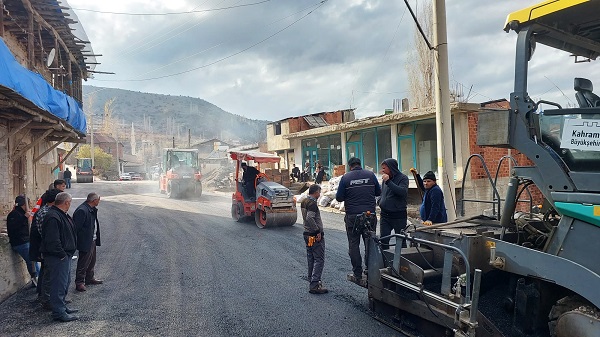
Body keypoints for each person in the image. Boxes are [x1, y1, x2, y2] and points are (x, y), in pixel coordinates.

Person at [335, 157, 381, 281]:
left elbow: (339, 197)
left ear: (350, 166)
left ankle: (358, 273)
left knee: (354, 244)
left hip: (353, 216)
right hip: (369, 215)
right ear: (360, 164)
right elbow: (378, 192)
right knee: (370, 243)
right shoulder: (370, 175)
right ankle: (369, 270)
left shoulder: (346, 178)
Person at [40, 192, 79, 322]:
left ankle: (61, 307)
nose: (70, 205)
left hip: (63, 255)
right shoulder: (53, 216)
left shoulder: (59, 214)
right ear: (66, 202)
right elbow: (52, 240)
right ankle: (58, 312)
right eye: (70, 202)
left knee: (64, 283)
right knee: (58, 285)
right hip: (57, 257)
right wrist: (62, 254)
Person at [30, 189, 61, 308]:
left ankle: (53, 298)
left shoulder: (49, 211)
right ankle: (47, 300)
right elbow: (49, 234)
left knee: (50, 275)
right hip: (50, 249)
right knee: (48, 276)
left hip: (50, 248)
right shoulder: (46, 213)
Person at [302, 184, 328, 294]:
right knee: (319, 259)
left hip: (307, 234)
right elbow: (309, 217)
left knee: (311, 258)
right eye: (319, 192)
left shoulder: (304, 201)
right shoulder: (312, 204)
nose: (320, 194)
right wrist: (317, 231)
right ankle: (315, 284)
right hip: (314, 235)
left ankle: (312, 279)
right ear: (316, 192)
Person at [7, 195, 39, 284]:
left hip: (26, 240)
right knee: (32, 261)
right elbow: (13, 228)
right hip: (21, 242)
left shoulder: (21, 213)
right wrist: (24, 217)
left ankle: (36, 279)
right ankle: (37, 279)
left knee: (33, 260)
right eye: (28, 203)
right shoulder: (14, 214)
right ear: (24, 205)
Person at [74, 193, 102, 292]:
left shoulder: (90, 209)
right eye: (98, 199)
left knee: (92, 261)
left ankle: (89, 278)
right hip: (85, 241)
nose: (99, 201)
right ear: (94, 200)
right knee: (83, 262)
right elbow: (76, 228)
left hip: (92, 239)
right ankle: (79, 283)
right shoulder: (82, 210)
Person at [378, 159, 409, 250]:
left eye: (384, 168)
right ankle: (385, 261)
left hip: (398, 215)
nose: (382, 171)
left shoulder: (403, 178)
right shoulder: (386, 179)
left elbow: (402, 192)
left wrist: (389, 182)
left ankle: (402, 262)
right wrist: (380, 201)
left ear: (391, 168)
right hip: (385, 215)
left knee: (400, 240)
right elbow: (383, 192)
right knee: (383, 239)